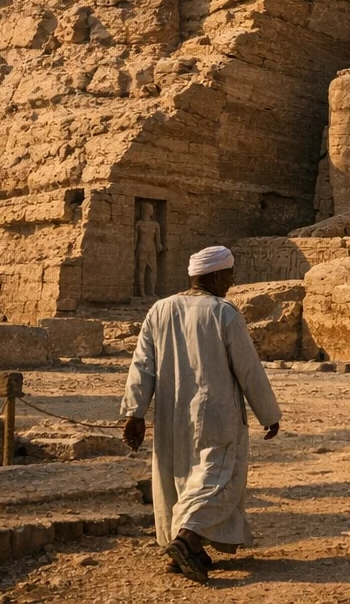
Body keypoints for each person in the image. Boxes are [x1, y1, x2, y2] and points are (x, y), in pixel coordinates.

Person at [120, 246, 282, 585]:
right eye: (229, 277)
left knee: (180, 479)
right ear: (215, 276)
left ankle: (185, 553)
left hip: (170, 414)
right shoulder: (223, 313)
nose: (231, 284)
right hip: (215, 413)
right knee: (218, 481)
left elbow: (141, 365)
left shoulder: (160, 310)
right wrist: (268, 413)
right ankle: (187, 540)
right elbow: (249, 369)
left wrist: (135, 413)